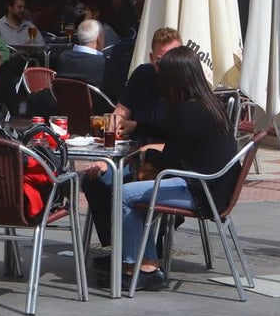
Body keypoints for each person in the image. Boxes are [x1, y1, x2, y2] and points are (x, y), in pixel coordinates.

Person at [115, 46, 239, 290]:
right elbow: (174, 135)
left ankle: (139, 264)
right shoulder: (207, 103)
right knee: (135, 191)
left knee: (124, 194)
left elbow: (169, 159)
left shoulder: (189, 111)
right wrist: (139, 127)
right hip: (215, 186)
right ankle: (147, 261)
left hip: (201, 191)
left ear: (174, 79)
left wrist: (143, 152)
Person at [82, 26, 182, 252]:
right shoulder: (143, 75)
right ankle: (120, 247)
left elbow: (182, 143)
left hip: (167, 163)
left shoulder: (186, 85)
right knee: (95, 179)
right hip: (133, 155)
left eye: (171, 60)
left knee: (133, 186)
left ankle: (139, 254)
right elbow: (119, 113)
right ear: (150, 58)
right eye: (159, 61)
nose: (165, 68)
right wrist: (107, 156)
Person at [56, 19, 107, 90]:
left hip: (66, 100)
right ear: (99, 38)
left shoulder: (64, 57)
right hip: (94, 101)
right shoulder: (104, 63)